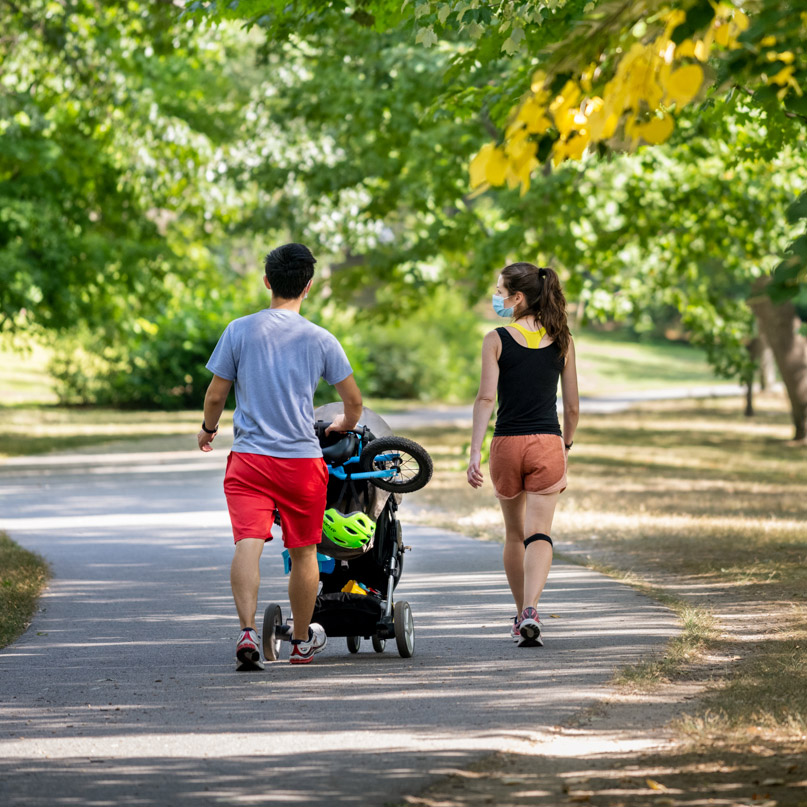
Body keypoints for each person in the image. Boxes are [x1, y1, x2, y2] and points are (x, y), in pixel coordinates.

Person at [198, 243, 363, 669]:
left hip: (250, 460)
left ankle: (248, 633)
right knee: (305, 551)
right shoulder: (320, 339)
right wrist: (343, 426)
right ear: (308, 286)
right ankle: (301, 642)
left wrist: (209, 430)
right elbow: (354, 402)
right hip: (302, 464)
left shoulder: (239, 330)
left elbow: (216, 394)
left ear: (267, 281)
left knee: (248, 544)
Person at [467, 263, 579, 648]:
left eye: (500, 291)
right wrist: (564, 447)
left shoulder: (495, 338)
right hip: (548, 442)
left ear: (518, 297)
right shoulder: (563, 339)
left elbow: (485, 399)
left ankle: (519, 616)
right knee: (539, 533)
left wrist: (474, 454)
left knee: (514, 535)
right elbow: (573, 406)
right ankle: (532, 608)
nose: (496, 298)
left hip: (506, 444)